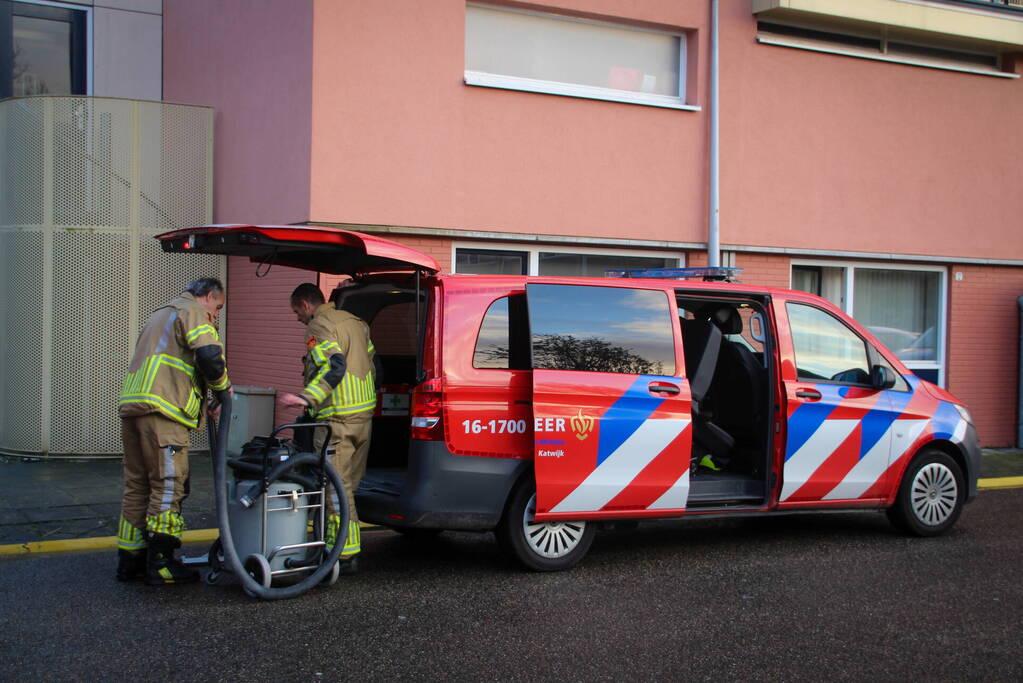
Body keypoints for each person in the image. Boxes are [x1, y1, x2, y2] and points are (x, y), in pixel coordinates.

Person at [116, 278, 231, 585]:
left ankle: (130, 561)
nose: (216, 315)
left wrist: (203, 400)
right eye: (218, 308)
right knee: (168, 485)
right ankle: (162, 565)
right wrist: (223, 391)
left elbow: (176, 365)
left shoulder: (160, 314)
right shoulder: (193, 312)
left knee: (137, 485)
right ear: (207, 297)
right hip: (163, 413)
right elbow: (209, 356)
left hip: (134, 407)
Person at [279, 282, 376, 574]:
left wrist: (306, 398)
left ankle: (343, 555)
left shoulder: (318, 326)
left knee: (335, 487)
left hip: (336, 420)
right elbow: (373, 364)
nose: (297, 318)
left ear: (306, 305)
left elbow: (335, 365)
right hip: (363, 417)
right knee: (349, 487)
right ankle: (346, 546)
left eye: (296, 311)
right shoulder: (356, 322)